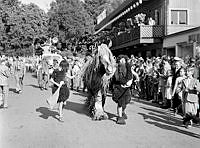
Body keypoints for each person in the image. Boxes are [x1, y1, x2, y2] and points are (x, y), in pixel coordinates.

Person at [112, 55, 133, 125]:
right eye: (121, 60)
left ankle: (122, 111)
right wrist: (122, 83)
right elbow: (116, 78)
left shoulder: (128, 67)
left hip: (126, 87)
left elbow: (130, 75)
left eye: (123, 60)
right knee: (120, 102)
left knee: (127, 100)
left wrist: (129, 82)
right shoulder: (116, 68)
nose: (122, 61)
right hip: (119, 87)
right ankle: (120, 117)